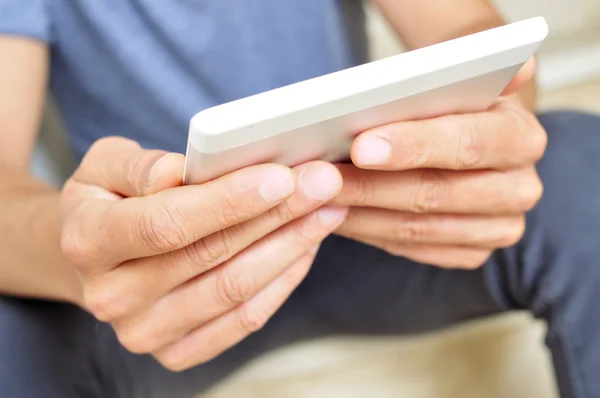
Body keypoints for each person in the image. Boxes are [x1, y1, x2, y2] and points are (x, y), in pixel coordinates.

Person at [0, 1, 598, 397]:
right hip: (161, 290)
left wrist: (481, 138)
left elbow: (466, 28)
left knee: (581, 165)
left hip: (365, 212)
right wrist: (90, 254)